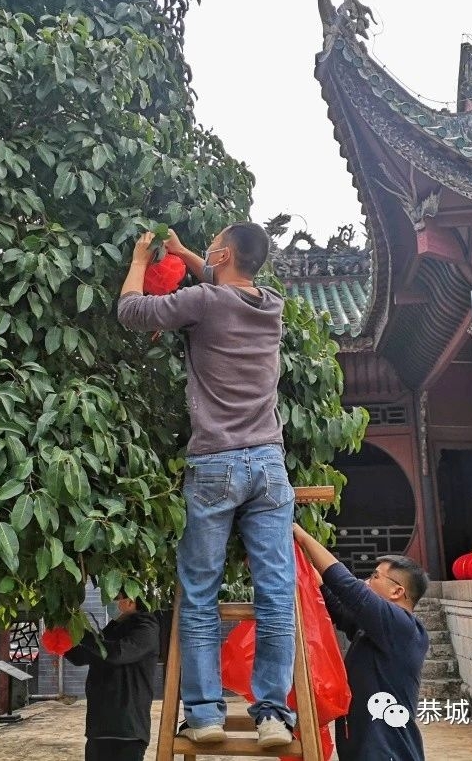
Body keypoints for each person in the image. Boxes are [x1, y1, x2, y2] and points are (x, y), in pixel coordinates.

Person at [117, 224, 296, 750]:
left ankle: (204, 714)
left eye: (213, 247)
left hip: (215, 464)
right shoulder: (271, 306)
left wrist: (138, 260)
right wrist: (182, 254)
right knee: (276, 595)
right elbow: (221, 281)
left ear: (222, 253)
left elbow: (132, 312)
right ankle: (272, 716)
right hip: (269, 465)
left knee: (198, 595)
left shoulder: (203, 302)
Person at [293, 523, 430, 761]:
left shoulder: (403, 627)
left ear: (397, 592)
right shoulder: (377, 630)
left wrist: (303, 536)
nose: (367, 581)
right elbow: (333, 601)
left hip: (388, 754)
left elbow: (347, 587)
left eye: (375, 576)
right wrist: (295, 559)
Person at [63, 594, 160, 761]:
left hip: (128, 727)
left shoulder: (146, 628)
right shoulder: (114, 628)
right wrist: (62, 638)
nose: (114, 602)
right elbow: (80, 657)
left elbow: (118, 653)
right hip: (99, 726)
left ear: (131, 601)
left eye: (118, 597)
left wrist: (81, 634)